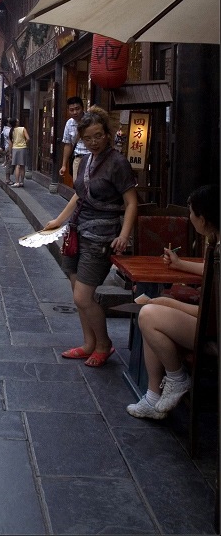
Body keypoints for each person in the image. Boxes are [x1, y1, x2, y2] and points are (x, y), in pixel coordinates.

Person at [44, 106, 138, 367]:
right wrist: (59, 221)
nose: (94, 142)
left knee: (83, 296)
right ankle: (89, 343)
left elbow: (132, 202)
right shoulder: (86, 160)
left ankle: (104, 344)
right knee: (78, 293)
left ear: (107, 133)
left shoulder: (118, 162)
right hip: (78, 231)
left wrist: (124, 235)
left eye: (98, 136)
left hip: (101, 236)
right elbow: (79, 195)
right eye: (87, 138)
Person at [126, 184, 219, 420]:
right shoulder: (215, 245)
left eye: (191, 213)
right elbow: (208, 272)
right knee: (154, 309)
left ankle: (177, 378)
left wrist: (167, 303)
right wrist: (179, 265)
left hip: (213, 332)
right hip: (210, 321)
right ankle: (153, 396)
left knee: (149, 315)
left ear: (203, 219)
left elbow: (209, 314)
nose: (190, 217)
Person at [59, 96, 90, 182]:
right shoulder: (69, 123)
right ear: (68, 110)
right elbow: (68, 144)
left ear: (82, 108)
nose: (75, 112)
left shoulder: (91, 120)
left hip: (92, 157)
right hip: (78, 158)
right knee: (77, 183)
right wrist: (64, 165)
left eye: (77, 109)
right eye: (71, 110)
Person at [11, 119, 30, 187]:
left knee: (17, 165)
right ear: (16, 123)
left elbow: (11, 141)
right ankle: (22, 182)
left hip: (15, 148)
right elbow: (28, 138)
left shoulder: (12, 130)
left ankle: (17, 182)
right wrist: (24, 143)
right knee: (22, 165)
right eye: (17, 121)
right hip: (22, 148)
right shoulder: (22, 129)